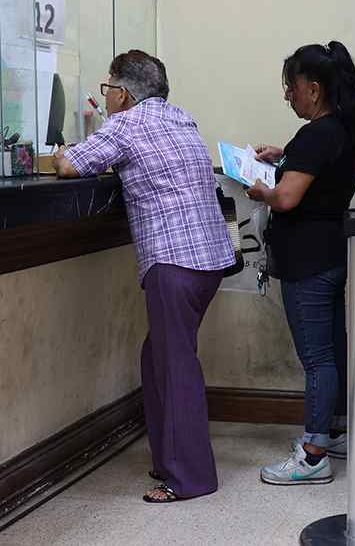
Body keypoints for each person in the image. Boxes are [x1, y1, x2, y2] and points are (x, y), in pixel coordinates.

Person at [53, 50, 235, 503]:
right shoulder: (180, 118)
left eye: (108, 89)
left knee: (174, 367)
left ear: (124, 94)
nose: (107, 97)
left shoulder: (126, 124)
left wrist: (59, 153)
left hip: (173, 261)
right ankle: (167, 458)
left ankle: (189, 478)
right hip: (210, 259)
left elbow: (72, 165)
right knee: (160, 355)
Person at [246, 41, 355, 485]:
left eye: (291, 87)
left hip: (306, 261)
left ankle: (313, 454)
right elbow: (320, 174)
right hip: (331, 253)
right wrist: (284, 158)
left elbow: (289, 196)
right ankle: (334, 430)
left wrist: (261, 189)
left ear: (313, 89)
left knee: (316, 357)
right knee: (333, 347)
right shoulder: (345, 130)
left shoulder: (316, 134)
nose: (288, 96)